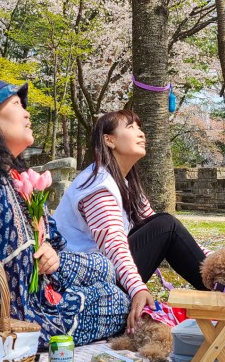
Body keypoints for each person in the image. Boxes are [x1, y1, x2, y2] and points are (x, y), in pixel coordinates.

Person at [0, 76, 129, 349]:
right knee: (117, 300)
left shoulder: (13, 177)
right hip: (13, 314)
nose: (27, 112)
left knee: (105, 267)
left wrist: (49, 252)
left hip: (40, 282)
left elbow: (50, 237)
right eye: (17, 104)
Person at [53, 110, 211, 334]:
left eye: (140, 127)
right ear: (109, 140)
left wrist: (212, 257)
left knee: (164, 225)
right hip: (87, 282)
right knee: (165, 225)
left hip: (108, 272)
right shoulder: (98, 185)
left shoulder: (126, 184)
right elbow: (114, 245)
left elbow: (172, 237)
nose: (141, 133)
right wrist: (137, 288)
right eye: (131, 128)